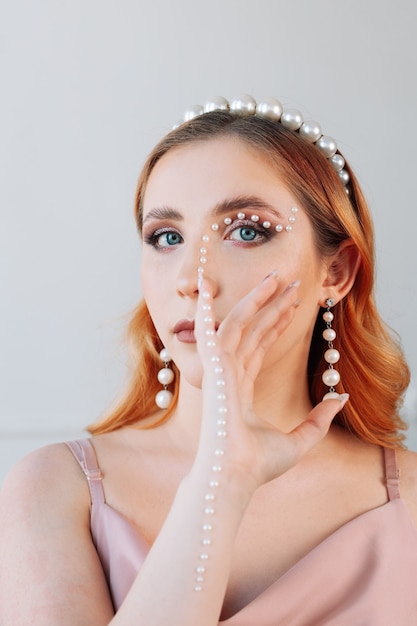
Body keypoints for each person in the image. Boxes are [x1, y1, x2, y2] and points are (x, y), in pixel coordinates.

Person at [0, 94, 416, 625]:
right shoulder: (56, 487)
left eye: (247, 231)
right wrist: (221, 480)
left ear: (335, 272)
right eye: (166, 237)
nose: (191, 280)